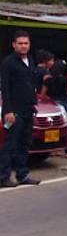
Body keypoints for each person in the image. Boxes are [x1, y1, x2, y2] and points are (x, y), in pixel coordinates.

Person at [0, 31, 40, 187]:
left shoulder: (30, 60)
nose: (24, 46)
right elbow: (5, 88)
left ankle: (22, 175)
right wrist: (8, 111)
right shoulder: (8, 62)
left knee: (25, 143)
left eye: (26, 43)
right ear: (14, 45)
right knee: (11, 144)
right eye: (20, 43)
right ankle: (3, 177)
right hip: (13, 111)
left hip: (28, 110)